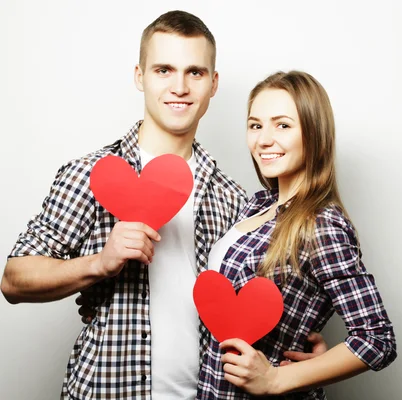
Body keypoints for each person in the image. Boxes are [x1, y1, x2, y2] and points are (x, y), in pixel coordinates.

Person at [1, 11, 324, 400]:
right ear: (140, 76)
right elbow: (13, 279)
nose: (180, 87)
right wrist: (98, 264)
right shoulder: (91, 174)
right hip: (108, 391)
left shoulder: (236, 199)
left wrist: (304, 357)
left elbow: (255, 303)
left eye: (195, 72)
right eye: (163, 70)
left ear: (213, 83)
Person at [194, 71, 397, 399]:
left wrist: (276, 379)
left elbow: (377, 340)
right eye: (256, 125)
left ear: (314, 134)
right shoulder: (256, 206)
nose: (263, 139)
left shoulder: (321, 225)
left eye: (283, 125)